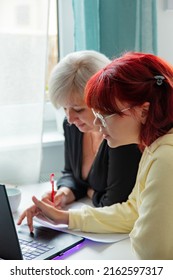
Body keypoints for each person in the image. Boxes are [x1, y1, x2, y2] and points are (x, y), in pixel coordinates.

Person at [18, 50, 173, 260]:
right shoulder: (154, 147)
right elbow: (133, 211)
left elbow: (153, 252)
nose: (97, 125)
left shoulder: (164, 157)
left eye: (104, 114)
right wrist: (65, 217)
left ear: (143, 112)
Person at [41, 50, 141, 208]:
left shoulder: (121, 135)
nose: (70, 118)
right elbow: (71, 173)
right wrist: (64, 193)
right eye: (64, 108)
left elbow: (115, 203)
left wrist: (92, 194)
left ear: (102, 100)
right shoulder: (72, 126)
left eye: (78, 109)